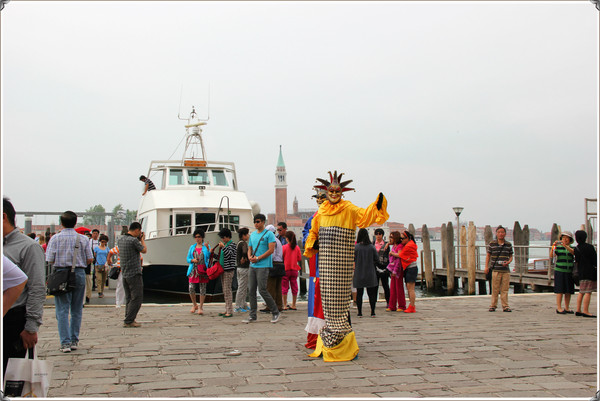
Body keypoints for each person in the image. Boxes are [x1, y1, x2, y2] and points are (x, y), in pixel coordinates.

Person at [304, 170, 388, 362]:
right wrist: (313, 243)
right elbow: (313, 232)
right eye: (331, 191)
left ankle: (341, 340)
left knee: (341, 301)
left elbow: (364, 216)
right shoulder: (321, 212)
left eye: (337, 191)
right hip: (326, 263)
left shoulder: (348, 209)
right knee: (328, 300)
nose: (334, 194)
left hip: (342, 264)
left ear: (342, 193)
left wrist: (377, 205)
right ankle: (332, 340)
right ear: (327, 192)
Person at [3, 197, 46, 370]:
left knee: (11, 375)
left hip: (13, 321)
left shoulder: (28, 247)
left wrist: (31, 327)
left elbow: (37, 288)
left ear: (3, 217)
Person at [46, 211, 94, 352]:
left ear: (61, 223)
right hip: (78, 273)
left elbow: (49, 259)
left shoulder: (55, 238)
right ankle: (74, 340)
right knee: (77, 309)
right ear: (75, 222)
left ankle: (65, 343)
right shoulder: (83, 239)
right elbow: (90, 259)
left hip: (61, 273)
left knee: (62, 310)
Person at [244, 214, 280, 324]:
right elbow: (249, 248)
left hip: (263, 265)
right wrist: (249, 257)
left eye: (258, 221)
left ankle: (275, 311)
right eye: (255, 222)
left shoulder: (269, 234)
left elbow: (271, 250)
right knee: (251, 290)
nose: (256, 224)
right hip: (252, 265)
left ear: (263, 222)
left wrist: (258, 258)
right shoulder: (253, 235)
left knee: (262, 290)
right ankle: (252, 315)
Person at [303, 189, 327, 349]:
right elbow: (306, 233)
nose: (320, 200)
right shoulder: (313, 218)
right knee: (316, 295)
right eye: (317, 198)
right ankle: (316, 335)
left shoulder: (340, 215)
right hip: (317, 262)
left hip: (334, 261)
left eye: (323, 197)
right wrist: (312, 241)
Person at [118, 222, 147, 327]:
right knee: (137, 297)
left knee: (129, 298)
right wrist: (142, 239)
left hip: (125, 273)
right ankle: (129, 320)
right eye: (139, 231)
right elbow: (144, 250)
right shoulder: (133, 240)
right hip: (134, 273)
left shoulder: (120, 240)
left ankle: (128, 317)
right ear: (137, 230)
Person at [485, 226, 514, 313]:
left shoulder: (508, 244)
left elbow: (511, 256)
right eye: (499, 232)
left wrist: (508, 262)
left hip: (505, 270)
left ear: (505, 234)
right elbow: (488, 256)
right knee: (495, 289)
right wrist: (486, 267)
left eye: (502, 232)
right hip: (495, 270)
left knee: (505, 289)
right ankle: (493, 305)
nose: (501, 234)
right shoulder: (492, 244)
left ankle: (505, 306)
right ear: (496, 234)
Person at [353, 228, 379, 317]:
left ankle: (359, 312)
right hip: (370, 272)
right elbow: (377, 259)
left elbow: (352, 258)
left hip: (359, 273)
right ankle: (373, 312)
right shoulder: (371, 247)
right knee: (371, 293)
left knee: (359, 293)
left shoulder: (356, 247)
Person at [186, 229, 210, 315]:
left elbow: (209, 257)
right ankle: (194, 304)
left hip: (203, 269)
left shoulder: (206, 246)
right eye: (196, 237)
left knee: (202, 288)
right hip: (193, 270)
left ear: (202, 237)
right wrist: (192, 260)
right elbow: (188, 258)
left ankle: (201, 307)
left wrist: (208, 249)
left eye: (199, 237)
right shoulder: (192, 247)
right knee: (191, 288)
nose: (197, 238)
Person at [574, 230, 597, 318]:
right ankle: (586, 311)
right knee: (588, 292)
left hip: (581, 272)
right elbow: (595, 260)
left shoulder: (576, 248)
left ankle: (578, 310)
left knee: (581, 291)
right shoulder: (590, 247)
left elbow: (577, 260)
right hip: (589, 272)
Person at [551, 231, 575, 314]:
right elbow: (551, 255)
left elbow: (573, 253)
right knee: (560, 290)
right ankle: (559, 307)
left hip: (569, 271)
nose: (565, 239)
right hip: (559, 271)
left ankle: (567, 307)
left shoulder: (572, 248)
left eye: (567, 238)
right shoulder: (558, 247)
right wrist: (553, 247)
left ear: (570, 239)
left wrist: (566, 247)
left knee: (568, 290)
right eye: (563, 238)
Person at [262, 224, 284, 313]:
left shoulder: (272, 241)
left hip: (273, 264)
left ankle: (270, 306)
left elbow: (272, 254)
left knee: (270, 286)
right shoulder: (278, 240)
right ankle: (279, 305)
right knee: (278, 287)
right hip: (280, 264)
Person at [217, 228, 237, 318]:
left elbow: (229, 255)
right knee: (225, 290)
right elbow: (221, 257)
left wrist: (223, 247)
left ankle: (229, 310)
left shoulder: (232, 245)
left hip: (228, 270)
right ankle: (227, 309)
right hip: (223, 269)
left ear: (227, 236)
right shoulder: (225, 245)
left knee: (227, 290)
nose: (222, 239)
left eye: (223, 237)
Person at [398, 231, 419, 313]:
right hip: (409, 268)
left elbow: (400, 254)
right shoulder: (409, 244)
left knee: (411, 289)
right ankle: (411, 305)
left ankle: (412, 306)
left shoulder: (409, 246)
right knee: (408, 287)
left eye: (402, 238)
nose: (401, 240)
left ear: (407, 238)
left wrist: (391, 253)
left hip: (411, 268)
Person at [282, 230, 302, 310]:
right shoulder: (297, 248)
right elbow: (299, 258)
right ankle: (294, 304)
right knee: (294, 286)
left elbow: (281, 257)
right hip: (294, 269)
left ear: (287, 238)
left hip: (286, 269)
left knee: (284, 287)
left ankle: (284, 304)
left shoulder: (284, 247)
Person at [386, 231, 406, 312]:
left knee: (399, 288)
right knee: (393, 288)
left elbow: (400, 256)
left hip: (398, 269)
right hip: (392, 268)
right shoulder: (394, 246)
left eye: (392, 237)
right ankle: (392, 305)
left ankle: (401, 305)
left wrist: (392, 253)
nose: (390, 239)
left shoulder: (400, 246)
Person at [234, 227, 251, 313]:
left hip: (239, 268)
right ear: (244, 235)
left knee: (242, 287)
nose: (248, 236)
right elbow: (244, 251)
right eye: (247, 234)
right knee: (242, 288)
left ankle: (243, 304)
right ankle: (238, 306)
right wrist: (244, 257)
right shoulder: (243, 243)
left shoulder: (238, 243)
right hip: (244, 268)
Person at [373, 228, 390, 309]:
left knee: (385, 285)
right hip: (375, 268)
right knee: (374, 286)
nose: (378, 235)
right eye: (377, 234)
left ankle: (388, 302)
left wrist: (387, 267)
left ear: (382, 235)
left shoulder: (386, 244)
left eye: (380, 234)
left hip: (384, 267)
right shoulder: (372, 244)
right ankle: (373, 302)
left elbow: (388, 256)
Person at [93, 234, 110, 298]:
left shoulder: (107, 249)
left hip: (105, 265)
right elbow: (95, 255)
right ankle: (99, 291)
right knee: (99, 279)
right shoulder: (96, 248)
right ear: (100, 241)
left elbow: (108, 256)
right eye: (102, 241)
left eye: (105, 242)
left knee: (103, 279)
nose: (103, 243)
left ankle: (102, 291)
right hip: (98, 265)